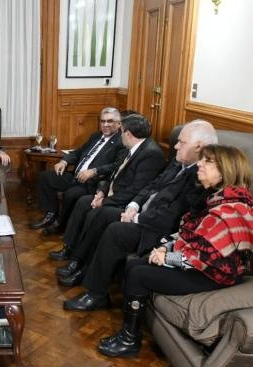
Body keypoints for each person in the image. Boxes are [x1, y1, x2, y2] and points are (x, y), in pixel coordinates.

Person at [98, 145, 253, 357]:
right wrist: (165, 246)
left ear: (225, 171)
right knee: (134, 264)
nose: (200, 164)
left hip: (215, 275)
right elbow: (189, 235)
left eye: (207, 162)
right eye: (202, 160)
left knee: (139, 274)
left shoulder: (230, 209)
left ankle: (129, 340)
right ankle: (130, 331)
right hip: (203, 265)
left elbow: (206, 258)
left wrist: (167, 257)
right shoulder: (217, 198)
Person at [63, 120, 218, 311]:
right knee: (103, 214)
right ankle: (81, 266)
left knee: (116, 231)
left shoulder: (199, 177)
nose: (176, 146)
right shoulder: (179, 162)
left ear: (199, 147)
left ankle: (97, 295)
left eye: (181, 142)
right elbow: (152, 185)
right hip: (144, 215)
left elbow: (170, 217)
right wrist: (133, 206)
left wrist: (136, 218)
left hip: (157, 229)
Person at [49, 114, 165, 284]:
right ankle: (71, 252)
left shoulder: (151, 155)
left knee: (95, 214)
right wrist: (101, 192)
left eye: (121, 131)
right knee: (83, 202)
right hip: (112, 195)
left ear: (128, 134)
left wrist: (104, 202)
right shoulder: (132, 147)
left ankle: (80, 264)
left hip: (126, 204)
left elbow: (137, 190)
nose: (119, 134)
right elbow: (113, 175)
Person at [30, 107, 126, 233]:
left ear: (118, 124)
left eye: (110, 121)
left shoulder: (121, 141)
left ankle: (60, 225)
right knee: (45, 177)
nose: (105, 125)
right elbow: (78, 152)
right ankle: (50, 215)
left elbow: (117, 165)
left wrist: (94, 171)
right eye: (103, 121)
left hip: (92, 181)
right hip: (75, 175)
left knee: (71, 194)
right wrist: (64, 161)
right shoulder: (96, 136)